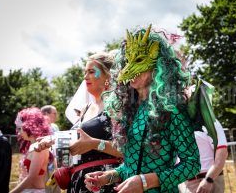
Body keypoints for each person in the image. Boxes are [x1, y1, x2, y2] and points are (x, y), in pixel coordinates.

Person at [84, 24, 201, 192]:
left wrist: (147, 181)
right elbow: (132, 166)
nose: (130, 68)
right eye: (127, 61)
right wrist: (108, 177)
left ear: (158, 65)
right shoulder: (131, 110)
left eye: (138, 60)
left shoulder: (171, 109)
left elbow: (192, 164)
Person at [35, 52, 123, 193]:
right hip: (77, 182)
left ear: (108, 75)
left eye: (91, 72)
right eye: (85, 72)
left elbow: (128, 150)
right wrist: (53, 140)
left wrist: (95, 144)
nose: (85, 77)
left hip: (102, 182)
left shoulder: (118, 108)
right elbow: (78, 139)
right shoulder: (85, 109)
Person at [178, 120, 228, 193]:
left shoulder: (210, 121)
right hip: (184, 182)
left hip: (208, 181)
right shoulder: (175, 124)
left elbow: (222, 155)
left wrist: (208, 180)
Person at [10, 107, 51, 193]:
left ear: (29, 126)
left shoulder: (40, 147)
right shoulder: (32, 146)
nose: (18, 132)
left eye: (20, 128)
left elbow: (31, 177)